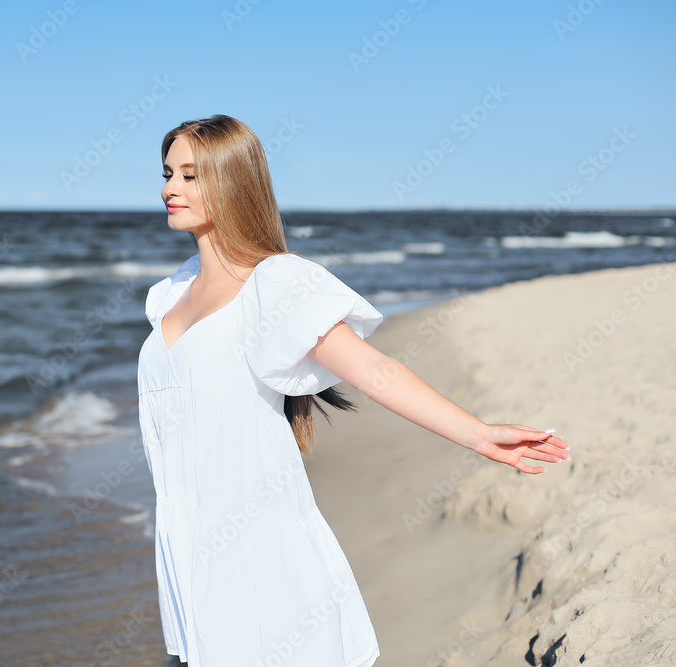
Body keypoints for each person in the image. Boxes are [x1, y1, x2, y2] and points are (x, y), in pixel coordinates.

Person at [137, 114, 570, 667]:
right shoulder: (169, 293)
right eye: (168, 173)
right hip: (186, 547)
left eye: (190, 176)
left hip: (259, 547)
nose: (169, 189)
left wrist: (478, 434)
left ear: (233, 181)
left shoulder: (275, 283)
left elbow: (371, 369)